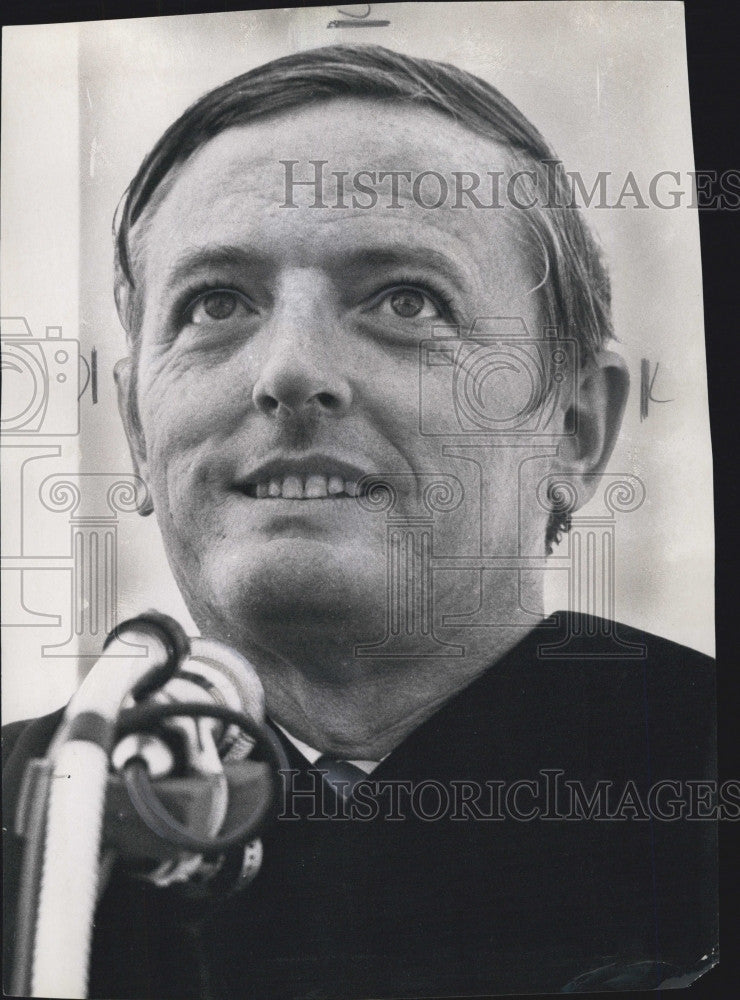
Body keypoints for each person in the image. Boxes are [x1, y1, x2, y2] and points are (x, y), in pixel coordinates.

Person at [3, 44, 717, 998]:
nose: (291, 371)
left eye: (407, 300)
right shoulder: (31, 825)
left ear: (576, 426)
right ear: (136, 428)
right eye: (217, 303)